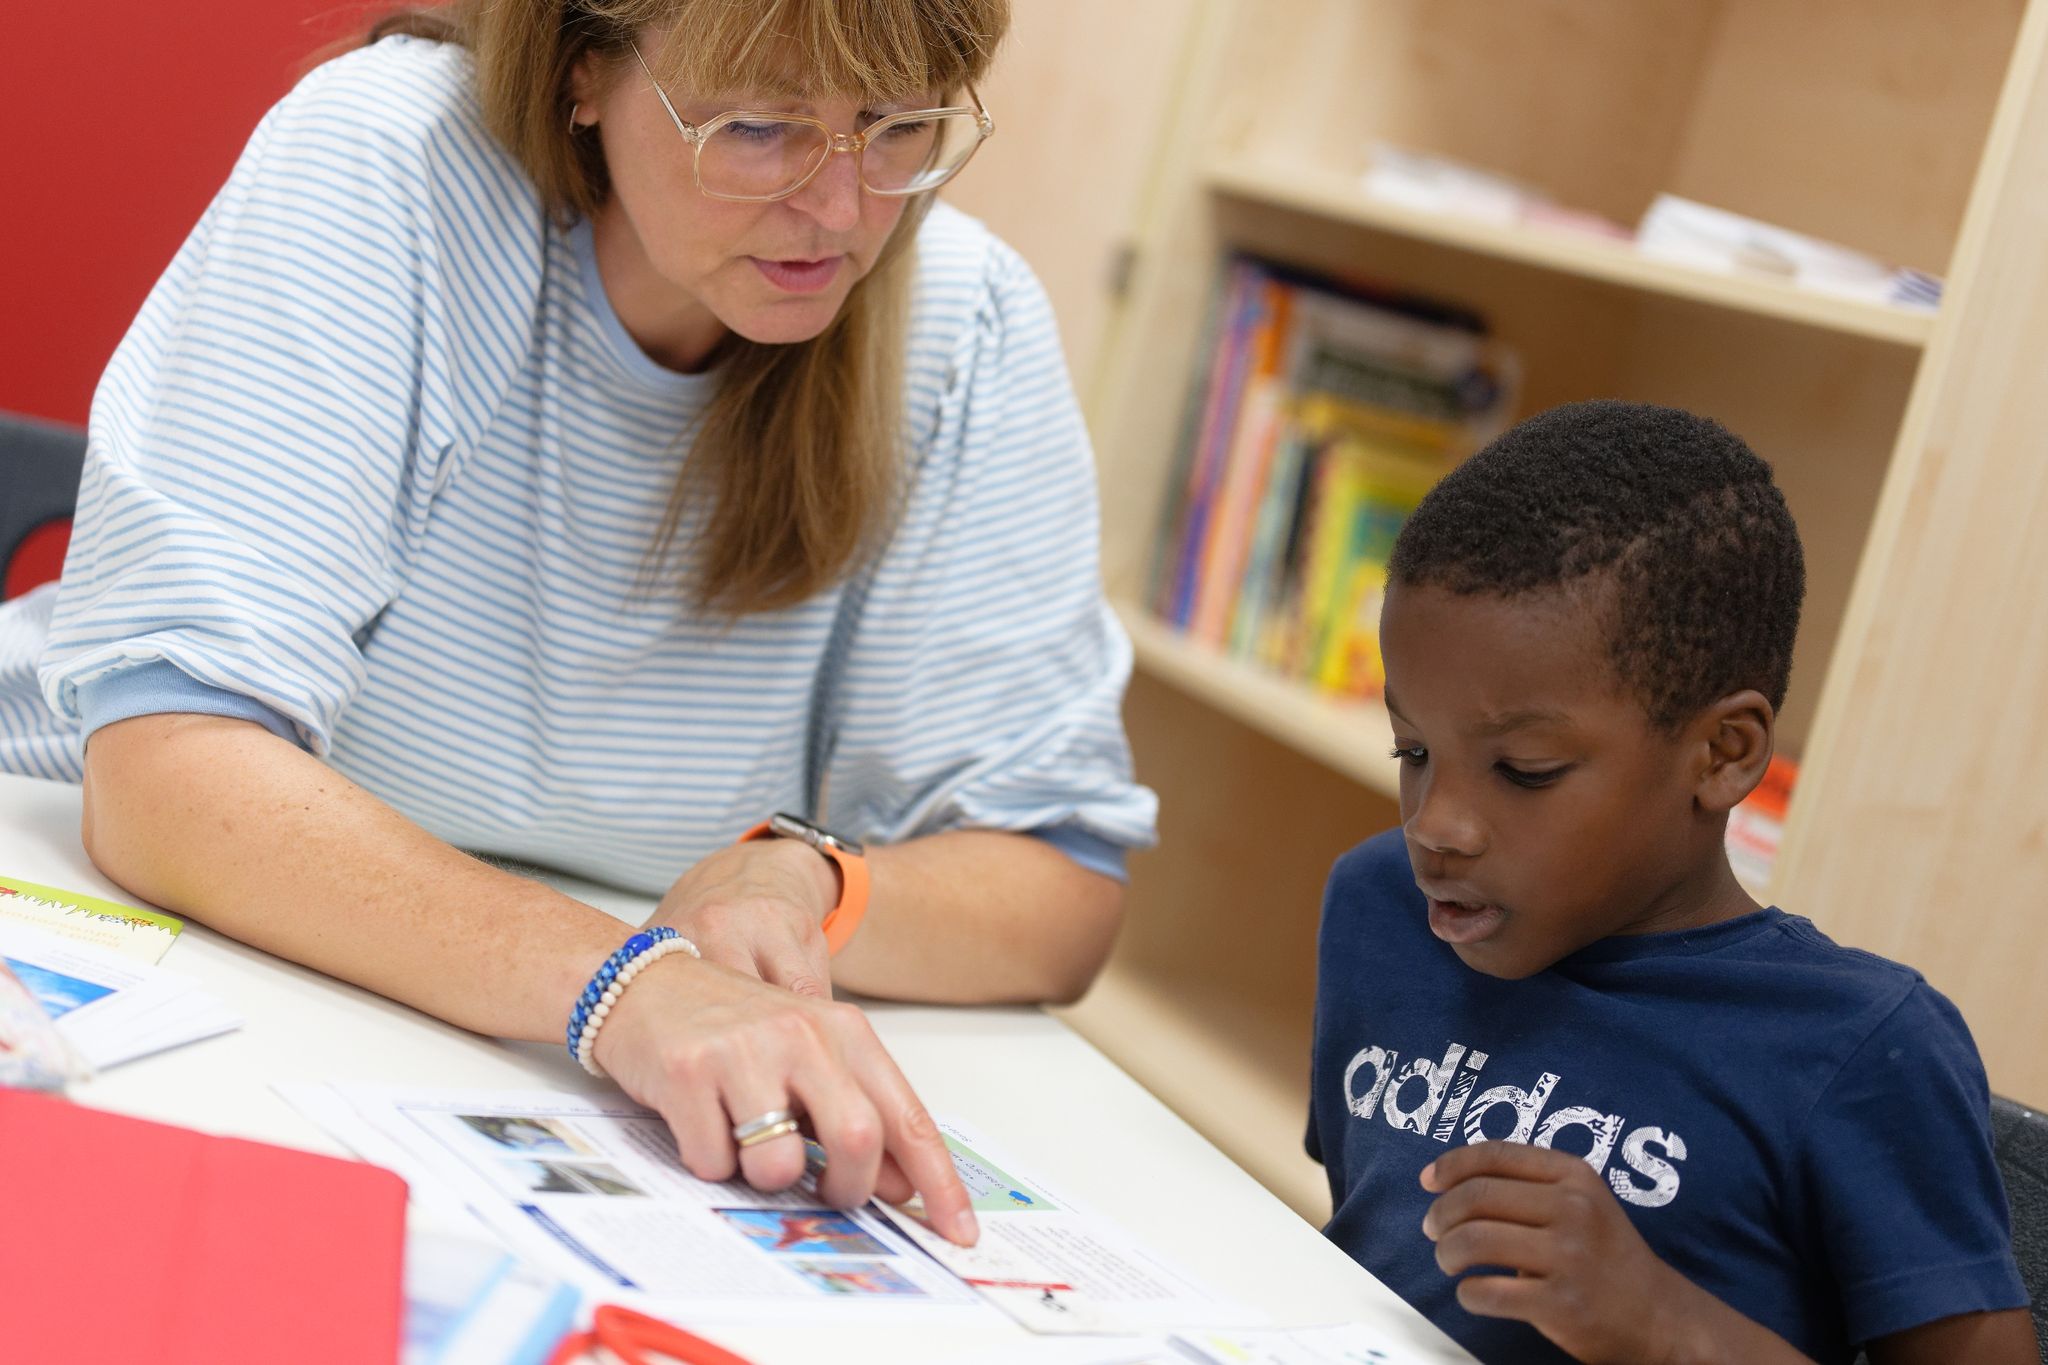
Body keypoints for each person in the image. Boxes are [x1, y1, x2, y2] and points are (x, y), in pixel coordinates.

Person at [0, 0, 1160, 1242]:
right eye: (757, 127)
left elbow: (1056, 893)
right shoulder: (390, 156)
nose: (839, 208)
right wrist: (627, 985)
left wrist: (803, 877)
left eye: (895, 127)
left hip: (450, 1039)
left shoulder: (965, 323)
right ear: (581, 69)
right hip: (101, 911)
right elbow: (167, 775)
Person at [1306, 401, 2034, 1363]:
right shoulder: (1380, 910)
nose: (1435, 824)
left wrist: (1664, 1323)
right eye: (1412, 749)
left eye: (1525, 770)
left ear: (1722, 754)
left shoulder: (1859, 1049)